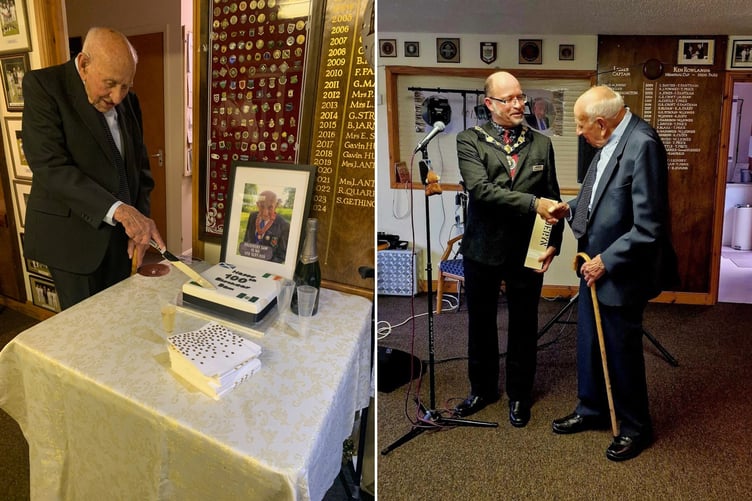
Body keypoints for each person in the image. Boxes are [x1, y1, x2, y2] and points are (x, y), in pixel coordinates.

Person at [548, 86, 678, 461]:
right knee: (589, 341)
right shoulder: (609, 140)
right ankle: (592, 409)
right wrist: (569, 209)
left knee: (622, 353)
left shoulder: (643, 145)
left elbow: (649, 226)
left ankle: (636, 427)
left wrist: (606, 260)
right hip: (594, 269)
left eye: (581, 124)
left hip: (620, 271)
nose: (578, 131)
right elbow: (601, 194)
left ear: (602, 124)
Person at [21, 27, 165, 310]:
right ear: (85, 65)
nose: (118, 97)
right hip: (73, 241)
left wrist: (141, 224)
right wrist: (122, 211)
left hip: (119, 240)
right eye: (110, 83)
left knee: (121, 318)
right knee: (85, 332)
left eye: (126, 86)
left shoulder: (129, 101)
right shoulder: (44, 86)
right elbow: (50, 166)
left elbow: (140, 171)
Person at [453, 71, 564, 427]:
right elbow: (481, 190)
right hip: (482, 249)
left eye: (521, 97)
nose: (519, 104)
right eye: (510, 99)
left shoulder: (541, 144)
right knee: (480, 324)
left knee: (524, 324)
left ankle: (519, 394)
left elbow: (554, 199)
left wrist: (554, 246)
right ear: (490, 104)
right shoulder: (469, 140)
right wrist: (533, 204)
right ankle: (482, 389)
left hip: (527, 251)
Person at [241, 190, 290, 263]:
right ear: (257, 204)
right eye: (262, 206)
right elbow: (246, 241)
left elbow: (281, 255)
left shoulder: (284, 225)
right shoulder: (252, 217)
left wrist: (264, 264)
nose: (265, 213)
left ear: (276, 205)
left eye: (270, 207)